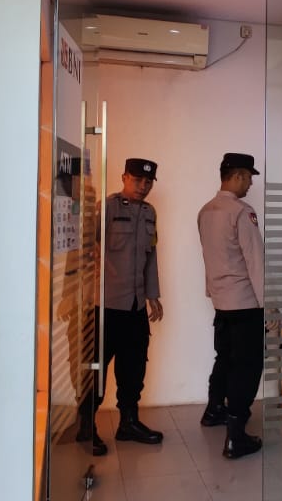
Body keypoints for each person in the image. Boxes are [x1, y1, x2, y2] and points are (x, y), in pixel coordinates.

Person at [76, 158, 165, 456]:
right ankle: (86, 426)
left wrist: (153, 295)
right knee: (96, 369)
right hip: (105, 305)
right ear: (124, 177)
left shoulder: (149, 213)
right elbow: (83, 250)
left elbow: (151, 258)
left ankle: (128, 423)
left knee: (134, 367)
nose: (143, 186)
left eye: (148, 182)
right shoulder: (107, 208)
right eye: (137, 180)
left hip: (135, 305)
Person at [197, 152, 266, 459]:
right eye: (248, 177)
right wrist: (269, 306)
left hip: (222, 302)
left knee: (224, 357)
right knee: (247, 365)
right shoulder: (241, 212)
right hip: (245, 303)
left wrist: (212, 292)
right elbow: (255, 262)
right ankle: (236, 436)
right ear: (237, 176)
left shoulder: (206, 211)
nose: (250, 183)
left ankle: (214, 409)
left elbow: (209, 256)